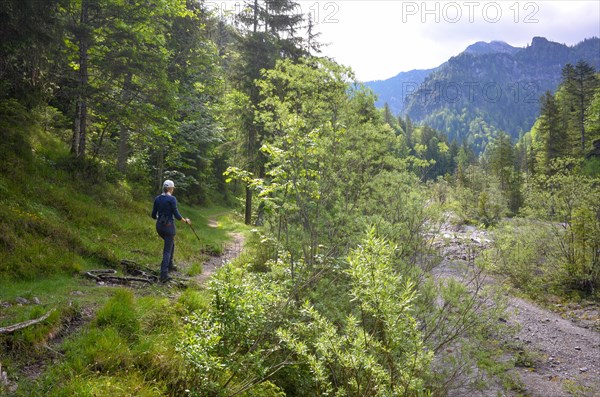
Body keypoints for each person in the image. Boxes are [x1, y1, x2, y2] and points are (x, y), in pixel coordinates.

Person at [151, 180, 190, 282]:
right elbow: (177, 216)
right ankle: (164, 274)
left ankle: (170, 265)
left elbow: (153, 215)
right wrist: (185, 221)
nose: (173, 190)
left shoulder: (157, 199)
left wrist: (160, 217)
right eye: (172, 188)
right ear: (169, 189)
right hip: (169, 228)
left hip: (159, 227)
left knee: (171, 244)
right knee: (167, 250)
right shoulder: (172, 199)